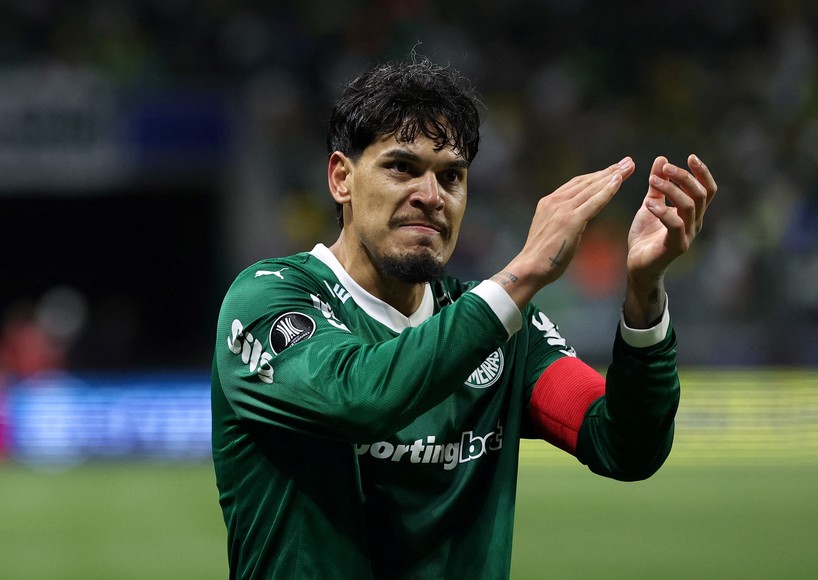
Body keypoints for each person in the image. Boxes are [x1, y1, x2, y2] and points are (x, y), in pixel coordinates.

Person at [211, 56, 717, 579]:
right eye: (401, 167)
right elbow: (360, 397)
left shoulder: (501, 327)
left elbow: (624, 445)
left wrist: (644, 289)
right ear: (341, 178)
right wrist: (523, 274)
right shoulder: (269, 300)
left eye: (451, 176)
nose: (430, 197)